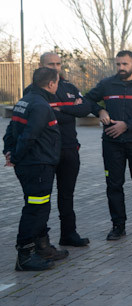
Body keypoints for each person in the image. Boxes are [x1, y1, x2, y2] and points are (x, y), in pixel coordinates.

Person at [85, 50, 132, 240]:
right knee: (114, 185)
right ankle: (118, 226)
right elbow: (87, 100)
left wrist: (127, 125)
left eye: (125, 64)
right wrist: (100, 110)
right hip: (112, 144)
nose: (121, 68)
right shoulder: (106, 84)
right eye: (118, 64)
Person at [3, 67, 65, 270]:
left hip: (34, 164)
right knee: (35, 209)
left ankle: (42, 247)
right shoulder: (40, 106)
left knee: (40, 207)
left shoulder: (25, 100)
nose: (58, 85)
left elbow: (11, 131)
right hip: (37, 166)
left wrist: (9, 151)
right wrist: (16, 157)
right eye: (57, 82)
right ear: (50, 84)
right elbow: (29, 135)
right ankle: (26, 255)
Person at [40, 51, 100, 247]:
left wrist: (61, 109)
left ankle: (68, 234)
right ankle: (40, 239)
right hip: (46, 151)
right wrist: (69, 110)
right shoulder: (34, 91)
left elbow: (86, 109)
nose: (55, 68)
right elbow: (47, 117)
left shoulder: (69, 87)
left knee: (67, 195)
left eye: (58, 64)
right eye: (51, 64)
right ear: (41, 66)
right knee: (42, 198)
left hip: (69, 149)